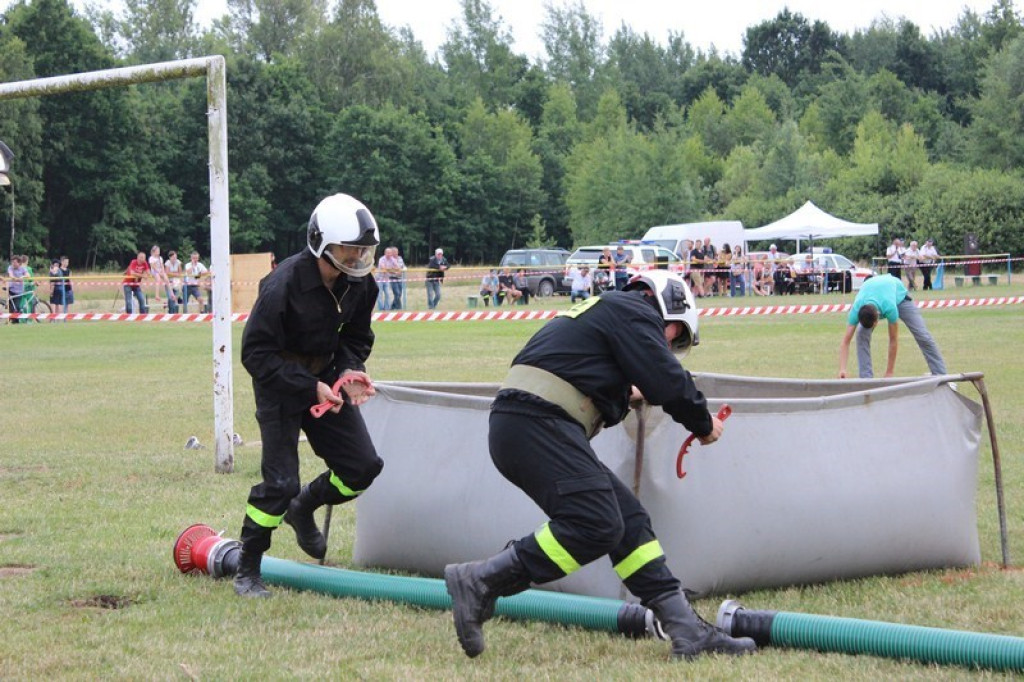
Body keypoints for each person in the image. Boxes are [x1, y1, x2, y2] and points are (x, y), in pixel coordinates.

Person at [443, 270, 757, 661]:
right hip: (538, 423)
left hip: (529, 424)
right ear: (665, 309)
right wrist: (702, 421)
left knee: (627, 522)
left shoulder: (605, 311)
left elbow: (591, 373)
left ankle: (686, 629)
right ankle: (481, 579)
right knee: (597, 522)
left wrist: (629, 390)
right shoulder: (633, 309)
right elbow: (666, 377)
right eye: (675, 335)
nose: (670, 344)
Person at [234, 193, 383, 598]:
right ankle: (248, 567)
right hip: (280, 384)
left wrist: (352, 371)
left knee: (363, 467)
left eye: (363, 251)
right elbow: (255, 353)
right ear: (321, 243)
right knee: (280, 484)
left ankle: (304, 506)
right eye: (348, 250)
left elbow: (356, 338)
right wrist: (307, 385)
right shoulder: (282, 284)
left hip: (327, 376)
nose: (357, 258)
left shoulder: (361, 285)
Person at [838, 274, 947, 379]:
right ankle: (866, 378)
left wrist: (889, 372)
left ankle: (941, 374)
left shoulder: (890, 308)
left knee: (922, 335)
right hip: (876, 292)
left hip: (899, 297)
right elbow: (845, 341)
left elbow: (893, 339)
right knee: (861, 334)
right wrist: (842, 369)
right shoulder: (856, 309)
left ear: (876, 321)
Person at [6, 255, 26, 323]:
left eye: (15, 262)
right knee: (11, 308)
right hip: (11, 290)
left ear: (19, 263)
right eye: (12, 262)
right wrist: (15, 279)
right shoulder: (10, 267)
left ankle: (16, 322)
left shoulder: (22, 268)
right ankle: (13, 321)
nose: (13, 264)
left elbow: (28, 275)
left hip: (19, 291)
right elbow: (10, 275)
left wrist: (22, 277)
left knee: (17, 307)